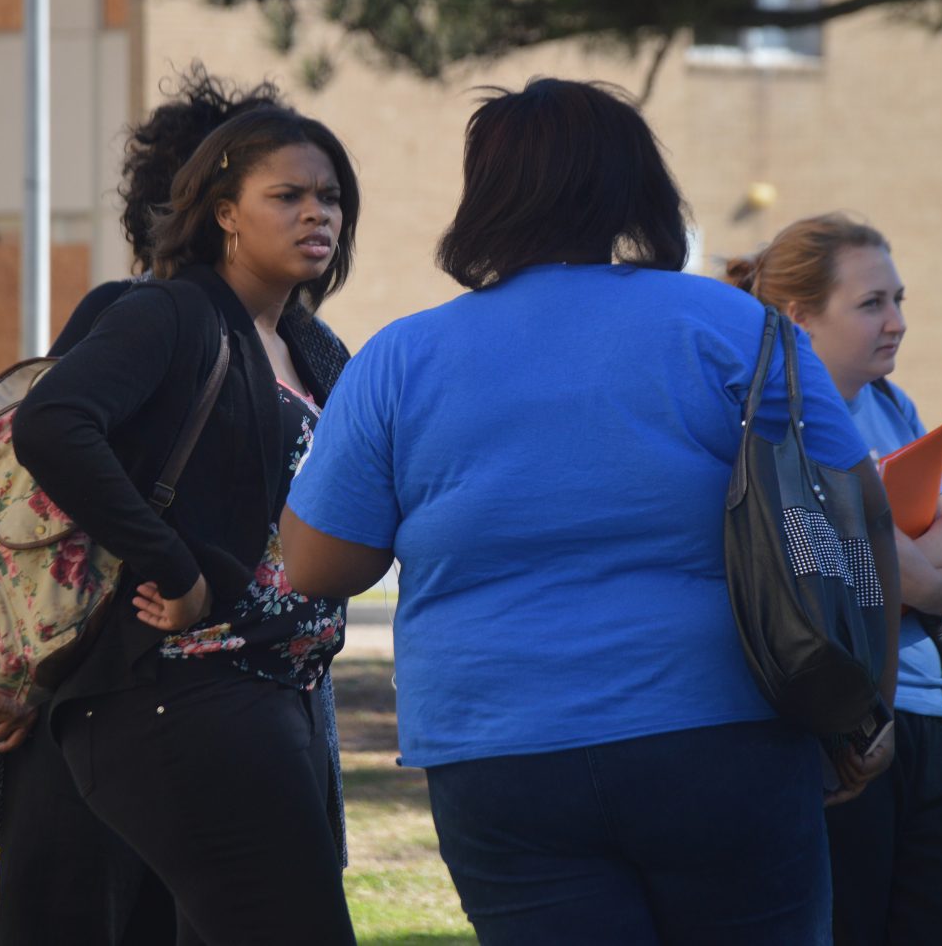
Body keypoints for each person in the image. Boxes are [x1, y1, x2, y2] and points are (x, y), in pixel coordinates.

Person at [276, 78, 901, 944]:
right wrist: (865, 705)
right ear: (637, 185)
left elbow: (317, 566)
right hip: (723, 730)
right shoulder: (735, 326)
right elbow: (851, 515)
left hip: (499, 751)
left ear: (485, 196)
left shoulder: (401, 357)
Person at [3, 103, 360, 945]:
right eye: (289, 196)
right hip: (179, 690)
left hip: (279, 694)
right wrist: (177, 567)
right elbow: (54, 425)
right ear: (225, 213)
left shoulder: (313, 346)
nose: (318, 215)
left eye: (332, 197)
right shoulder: (169, 313)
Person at [728, 212, 942, 945]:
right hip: (841, 724)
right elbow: (886, 567)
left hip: (929, 716)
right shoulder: (779, 421)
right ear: (799, 315)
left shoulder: (893, 405)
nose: (898, 323)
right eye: (872, 303)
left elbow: (941, 572)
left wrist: (924, 565)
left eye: (899, 299)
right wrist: (934, 558)